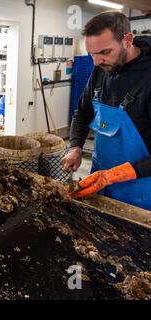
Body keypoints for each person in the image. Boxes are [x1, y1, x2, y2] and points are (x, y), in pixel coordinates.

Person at [62, 11, 151, 211]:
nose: (96, 62)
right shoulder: (101, 71)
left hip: (140, 193)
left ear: (127, 40)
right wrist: (75, 147)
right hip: (99, 181)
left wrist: (112, 176)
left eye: (104, 52)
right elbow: (83, 113)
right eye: (92, 54)